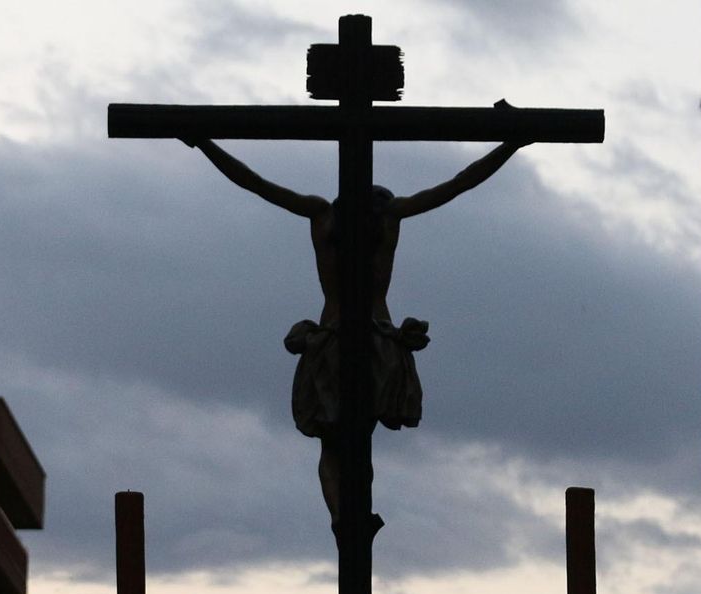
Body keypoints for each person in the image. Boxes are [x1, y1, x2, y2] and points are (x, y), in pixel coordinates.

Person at [186, 131, 527, 527]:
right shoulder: (390, 217)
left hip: (333, 340)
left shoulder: (320, 215)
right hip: (376, 342)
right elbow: (458, 184)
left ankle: (342, 517)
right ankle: (353, 517)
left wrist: (205, 143)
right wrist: (509, 145)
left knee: (333, 447)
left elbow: (254, 183)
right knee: (359, 442)